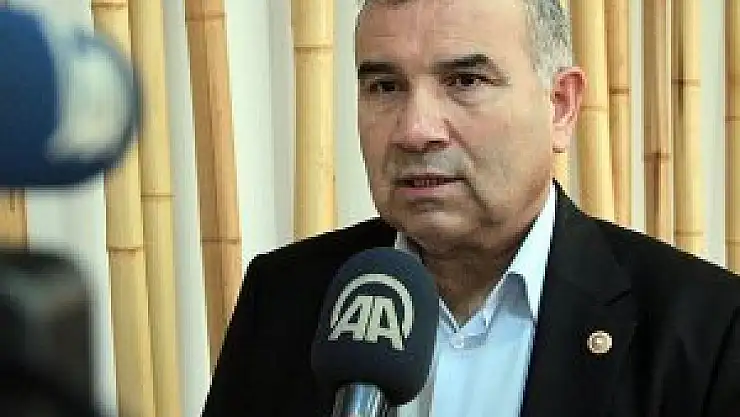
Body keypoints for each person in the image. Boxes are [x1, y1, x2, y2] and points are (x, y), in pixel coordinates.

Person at [201, 0, 740, 416]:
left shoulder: (705, 330)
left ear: (560, 106)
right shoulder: (284, 299)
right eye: (385, 87)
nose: (415, 130)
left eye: (465, 81)